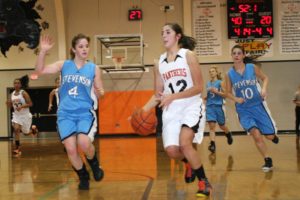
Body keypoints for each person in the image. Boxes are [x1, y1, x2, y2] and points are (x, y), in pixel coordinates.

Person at [142, 23, 212, 197]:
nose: (164, 36)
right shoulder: (159, 63)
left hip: (191, 105)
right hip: (171, 109)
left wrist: (172, 96)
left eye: (168, 32)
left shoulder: (188, 56)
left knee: (185, 143)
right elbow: (158, 93)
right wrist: (142, 110)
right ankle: (188, 163)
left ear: (178, 36)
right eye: (162, 33)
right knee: (172, 150)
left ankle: (204, 183)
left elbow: (199, 87)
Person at [35, 34, 104, 190]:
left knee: (84, 142)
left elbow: (101, 93)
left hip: (84, 112)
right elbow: (39, 70)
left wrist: (99, 91)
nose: (85, 49)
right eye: (81, 46)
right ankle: (83, 176)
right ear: (74, 49)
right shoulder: (64, 65)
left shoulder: (94, 68)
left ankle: (94, 163)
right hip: (65, 114)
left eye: (86, 46)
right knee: (71, 148)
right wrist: (43, 51)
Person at [225, 45, 279, 172]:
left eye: (239, 53)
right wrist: (236, 99)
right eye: (234, 53)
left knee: (269, 136)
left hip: (258, 106)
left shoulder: (251, 67)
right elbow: (227, 92)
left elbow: (265, 78)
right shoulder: (229, 74)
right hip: (244, 110)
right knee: (256, 134)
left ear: (243, 55)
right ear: (232, 56)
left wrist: (264, 89)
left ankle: (273, 136)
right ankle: (267, 160)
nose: (237, 55)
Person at [205, 66, 233, 153]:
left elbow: (226, 94)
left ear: (216, 73)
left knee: (222, 126)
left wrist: (217, 92)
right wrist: (205, 98)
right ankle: (212, 144)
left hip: (218, 107)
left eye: (213, 71)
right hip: (210, 107)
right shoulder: (208, 84)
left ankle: (228, 134)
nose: (211, 73)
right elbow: (210, 95)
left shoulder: (220, 83)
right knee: (212, 127)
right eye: (210, 71)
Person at [6, 75, 33, 155]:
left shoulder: (23, 93)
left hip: (25, 115)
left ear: (20, 85)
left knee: (26, 133)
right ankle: (17, 149)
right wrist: (8, 104)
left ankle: (33, 131)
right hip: (16, 115)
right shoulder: (12, 94)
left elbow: (30, 104)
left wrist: (21, 106)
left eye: (18, 83)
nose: (16, 84)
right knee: (16, 129)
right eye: (15, 83)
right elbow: (11, 106)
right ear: (13, 85)